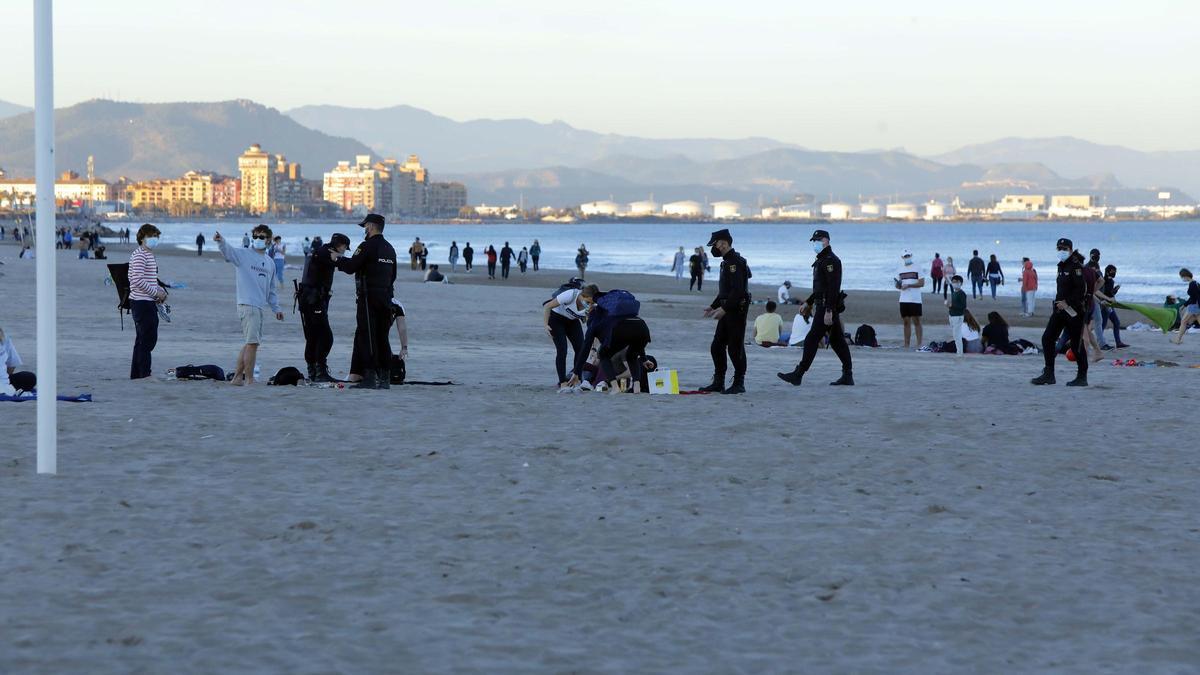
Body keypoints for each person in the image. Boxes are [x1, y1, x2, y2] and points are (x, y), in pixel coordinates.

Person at [778, 229, 853, 386]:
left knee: (812, 339)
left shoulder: (831, 260)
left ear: (826, 241)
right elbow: (820, 289)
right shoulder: (821, 260)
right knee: (837, 341)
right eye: (814, 241)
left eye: (818, 240)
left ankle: (798, 374)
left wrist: (829, 311)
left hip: (826, 306)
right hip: (822, 304)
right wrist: (809, 302)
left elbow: (833, 288)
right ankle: (847, 374)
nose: (815, 243)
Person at [335, 213, 398, 389]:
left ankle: (369, 377)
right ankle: (384, 378)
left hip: (368, 297)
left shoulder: (366, 246)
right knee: (382, 337)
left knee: (367, 336)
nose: (365, 230)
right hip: (386, 297)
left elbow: (351, 266)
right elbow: (393, 276)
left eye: (365, 227)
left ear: (370, 226)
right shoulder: (390, 249)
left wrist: (337, 260)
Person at [215, 226, 284, 386]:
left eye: (262, 237)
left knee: (250, 342)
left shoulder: (270, 263)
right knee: (253, 343)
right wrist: (221, 242)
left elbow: (271, 289)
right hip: (247, 304)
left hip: (259, 306)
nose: (259, 239)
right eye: (256, 236)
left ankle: (237, 378)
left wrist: (276, 308)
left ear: (269, 240)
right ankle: (250, 379)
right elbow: (228, 252)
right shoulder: (244, 254)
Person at [700, 229, 751, 395]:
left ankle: (739, 383)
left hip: (736, 311)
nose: (713, 247)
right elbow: (725, 291)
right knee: (717, 346)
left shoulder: (735, 262)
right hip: (727, 309)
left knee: (735, 348)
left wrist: (724, 308)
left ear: (723, 243)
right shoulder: (726, 262)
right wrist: (714, 306)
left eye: (715, 244)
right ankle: (718, 382)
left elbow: (738, 291)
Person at [1032, 238, 1089, 386]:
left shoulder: (1076, 267)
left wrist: (1068, 302)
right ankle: (1049, 373)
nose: (1061, 251)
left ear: (1070, 249)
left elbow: (1081, 289)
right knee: (1047, 338)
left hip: (1074, 311)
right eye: (1059, 248)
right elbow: (1062, 288)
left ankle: (1082, 376)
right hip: (1060, 310)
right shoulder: (1061, 266)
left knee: (1076, 345)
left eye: (1064, 248)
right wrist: (1058, 304)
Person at [298, 232, 351, 382]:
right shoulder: (326, 253)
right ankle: (320, 371)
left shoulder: (321, 251)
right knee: (326, 337)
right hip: (314, 300)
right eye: (345, 248)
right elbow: (340, 264)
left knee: (313, 336)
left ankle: (313, 371)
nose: (344, 251)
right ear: (341, 245)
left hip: (308, 299)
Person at [129, 224, 168, 379]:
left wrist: (160, 290)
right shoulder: (140, 255)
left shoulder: (148, 254)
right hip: (141, 302)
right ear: (142, 237)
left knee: (142, 340)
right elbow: (137, 279)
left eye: (156, 236)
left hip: (147, 301)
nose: (155, 239)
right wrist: (155, 293)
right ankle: (144, 374)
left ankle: (137, 374)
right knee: (147, 340)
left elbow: (149, 279)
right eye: (152, 236)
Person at [543, 283, 598, 391]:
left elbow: (594, 329)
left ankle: (576, 377)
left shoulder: (592, 307)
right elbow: (548, 306)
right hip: (556, 319)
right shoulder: (570, 295)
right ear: (581, 296)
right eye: (587, 302)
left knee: (581, 349)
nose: (589, 305)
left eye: (592, 303)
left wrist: (594, 347)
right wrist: (546, 325)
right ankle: (562, 382)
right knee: (562, 350)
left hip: (572, 321)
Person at [1095, 265, 1129, 349]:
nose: (1114, 273)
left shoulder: (1111, 281)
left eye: (1115, 271)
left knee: (1116, 322)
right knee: (1103, 324)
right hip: (1105, 305)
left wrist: (1115, 290)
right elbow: (1102, 292)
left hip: (1110, 305)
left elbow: (1110, 293)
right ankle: (1100, 343)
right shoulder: (1103, 281)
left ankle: (1118, 342)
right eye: (1112, 271)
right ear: (1107, 272)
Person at [896, 248, 925, 349]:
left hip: (915, 299)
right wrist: (899, 285)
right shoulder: (900, 268)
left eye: (908, 256)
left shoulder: (917, 267)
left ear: (911, 256)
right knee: (906, 322)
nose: (907, 258)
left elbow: (922, 283)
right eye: (905, 256)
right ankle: (906, 344)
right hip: (903, 299)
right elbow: (898, 285)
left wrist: (909, 285)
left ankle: (919, 343)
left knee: (917, 321)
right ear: (902, 257)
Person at [1171, 268, 1200, 344]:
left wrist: (1184, 305)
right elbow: (1194, 297)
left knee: (1183, 321)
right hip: (1195, 306)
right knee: (1184, 322)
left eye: (1182, 277)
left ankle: (1178, 340)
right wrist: (1184, 305)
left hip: (1194, 306)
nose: (1182, 279)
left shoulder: (1192, 284)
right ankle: (1178, 339)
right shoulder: (1195, 283)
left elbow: (1194, 298)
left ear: (1185, 276)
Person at [945, 274, 967, 360]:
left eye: (957, 282)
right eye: (953, 282)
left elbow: (963, 306)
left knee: (957, 335)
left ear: (961, 283)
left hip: (958, 316)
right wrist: (950, 307)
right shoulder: (954, 293)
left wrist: (951, 306)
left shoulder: (962, 294)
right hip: (952, 315)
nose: (955, 284)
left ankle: (959, 353)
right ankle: (958, 352)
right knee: (955, 335)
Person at [0, 326, 27, 396]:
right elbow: (11, 366)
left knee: (28, 378)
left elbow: (11, 365)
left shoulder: (4, 337)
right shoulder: (4, 337)